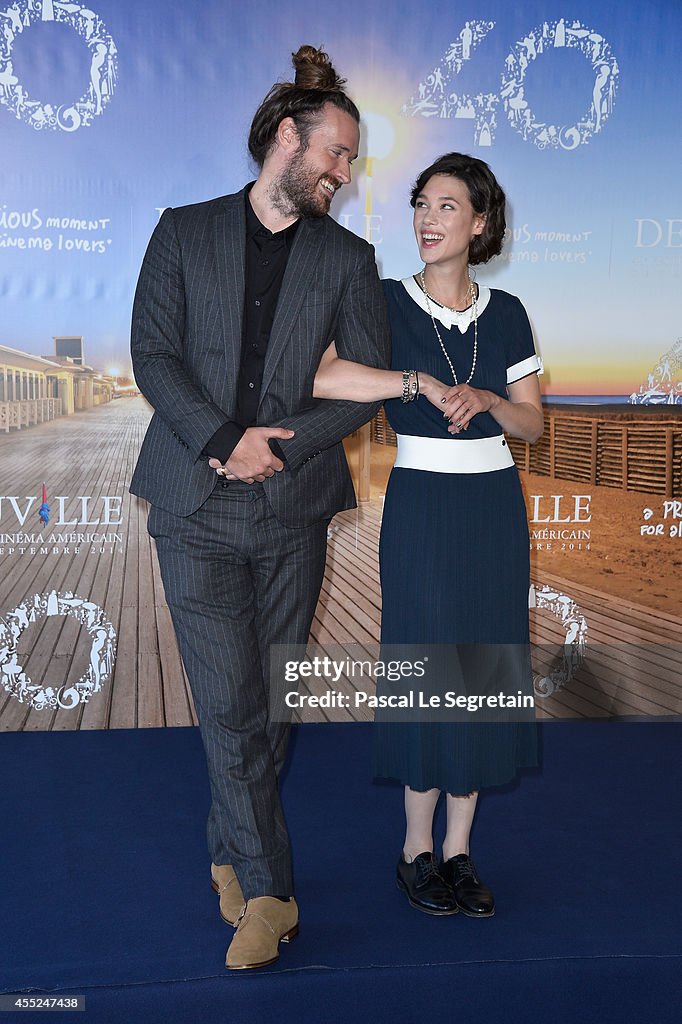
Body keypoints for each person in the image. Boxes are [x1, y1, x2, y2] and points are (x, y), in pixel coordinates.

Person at [129, 46, 390, 970]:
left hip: (292, 507)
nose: (345, 172)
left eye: (351, 160)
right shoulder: (182, 230)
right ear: (288, 137)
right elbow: (152, 355)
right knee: (229, 701)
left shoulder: (350, 259)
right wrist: (220, 438)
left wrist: (279, 445)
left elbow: (362, 389)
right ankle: (273, 893)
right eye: (338, 152)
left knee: (268, 709)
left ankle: (227, 847)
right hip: (193, 501)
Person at [314, 152, 543, 917]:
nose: (427, 218)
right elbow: (325, 375)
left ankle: (459, 851)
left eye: (446, 206)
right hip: (422, 501)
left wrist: (487, 399)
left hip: (493, 507)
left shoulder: (507, 312)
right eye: (421, 203)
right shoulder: (383, 302)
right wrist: (411, 384)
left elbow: (533, 423)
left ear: (480, 223)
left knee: (481, 663)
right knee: (424, 659)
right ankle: (416, 849)